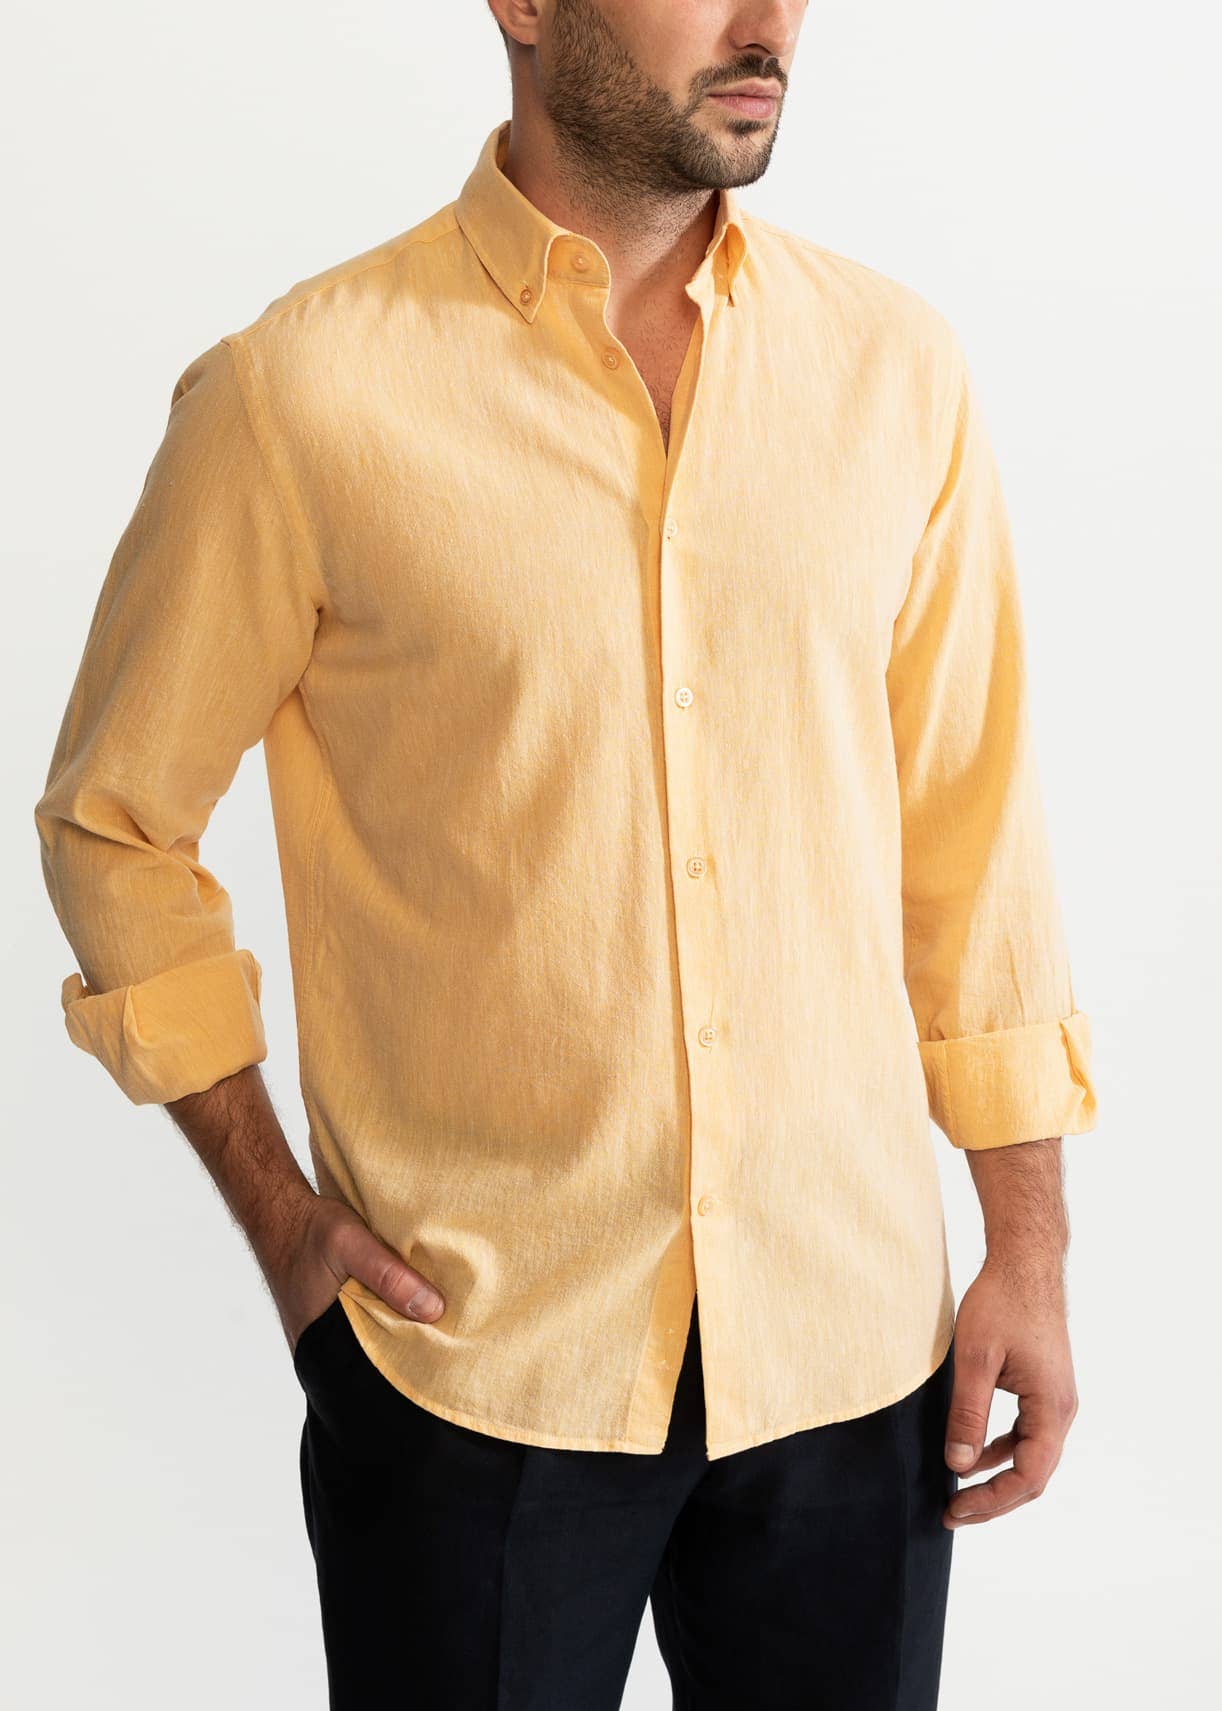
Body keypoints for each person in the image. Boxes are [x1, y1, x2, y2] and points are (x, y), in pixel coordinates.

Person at [34, 2, 1099, 1706]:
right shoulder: (300, 392)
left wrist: (1025, 1247)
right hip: (477, 1369)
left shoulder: (895, 370)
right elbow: (116, 823)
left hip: (850, 1348)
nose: (765, 26)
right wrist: (282, 1221)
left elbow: (969, 835)